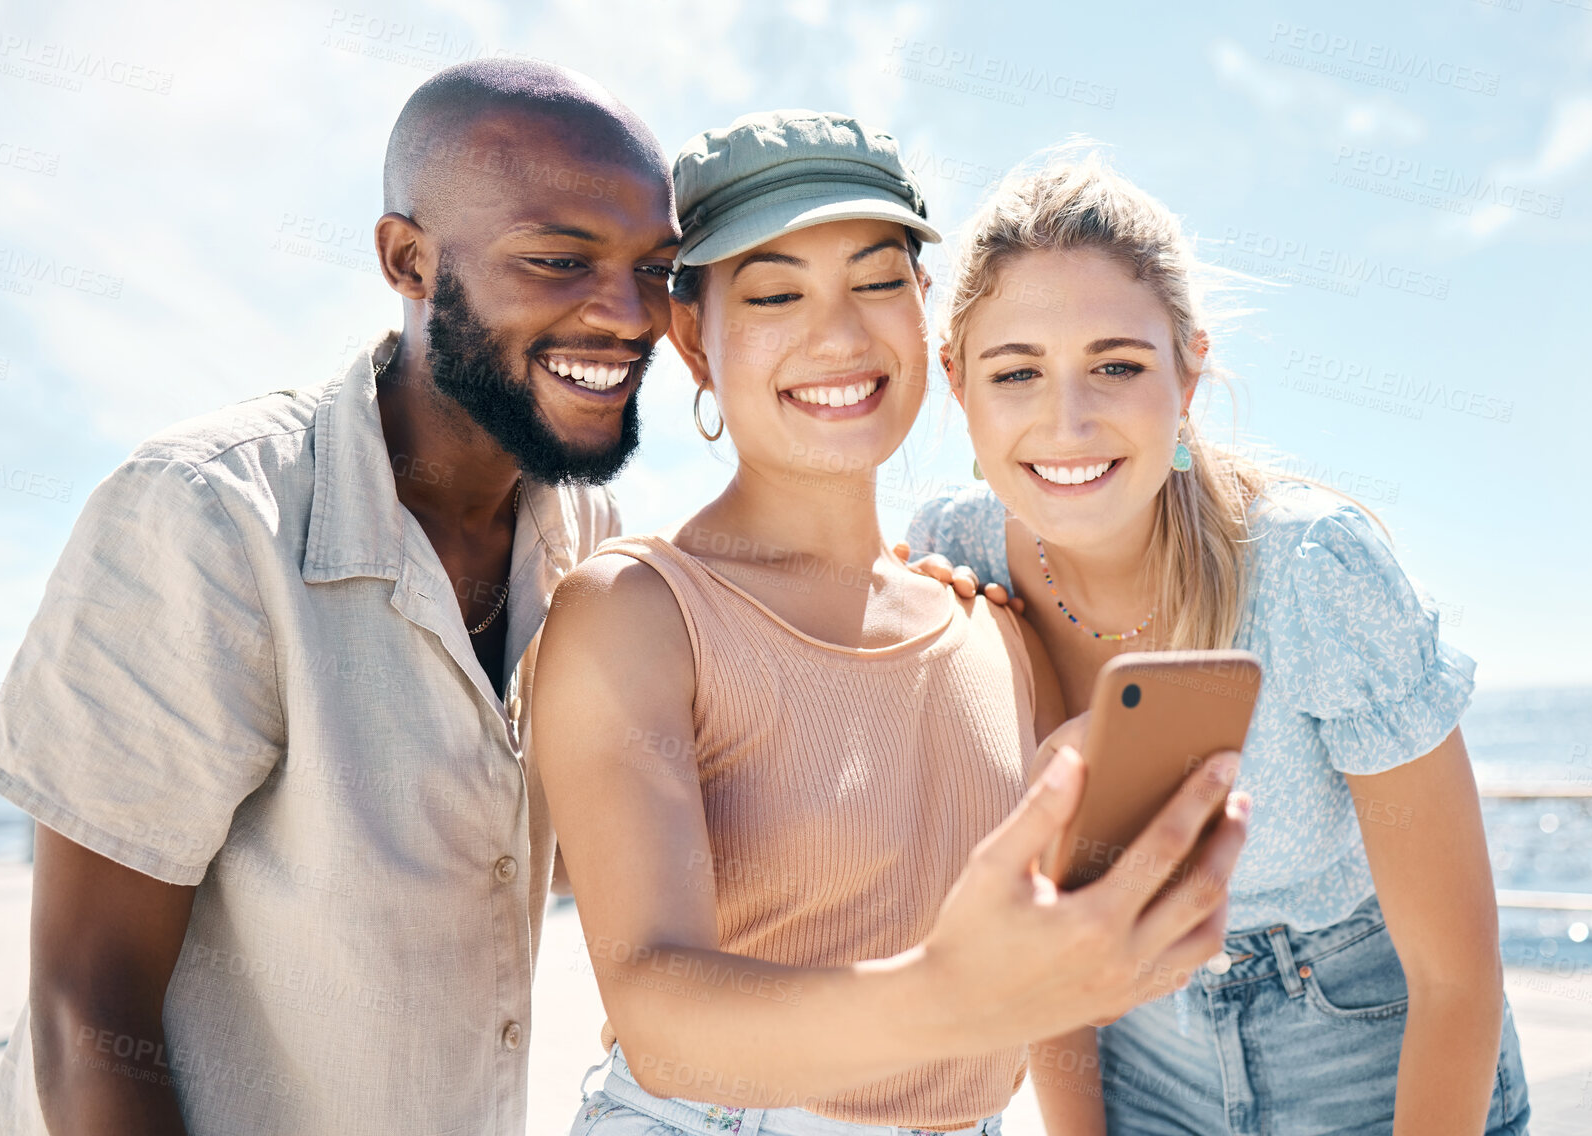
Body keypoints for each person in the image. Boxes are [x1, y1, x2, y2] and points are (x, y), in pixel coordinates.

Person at [0, 58, 679, 1135]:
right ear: (407, 259)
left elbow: (555, 848)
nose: (629, 316)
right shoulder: (207, 518)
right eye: (558, 259)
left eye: (656, 268)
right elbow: (86, 1006)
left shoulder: (586, 545)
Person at [533, 111, 1251, 1136]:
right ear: (693, 335)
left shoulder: (990, 629)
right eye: (776, 292)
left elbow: (1037, 977)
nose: (837, 334)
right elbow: (659, 1019)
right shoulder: (638, 612)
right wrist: (951, 997)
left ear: (926, 312)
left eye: (877, 281)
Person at [907, 149, 1531, 1134]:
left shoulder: (1310, 570)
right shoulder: (952, 552)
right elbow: (1047, 933)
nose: (1066, 421)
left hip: (1373, 1040)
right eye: (1015, 371)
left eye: (1115, 364)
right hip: (1135, 1048)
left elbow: (1455, 974)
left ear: (1189, 370)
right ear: (956, 383)